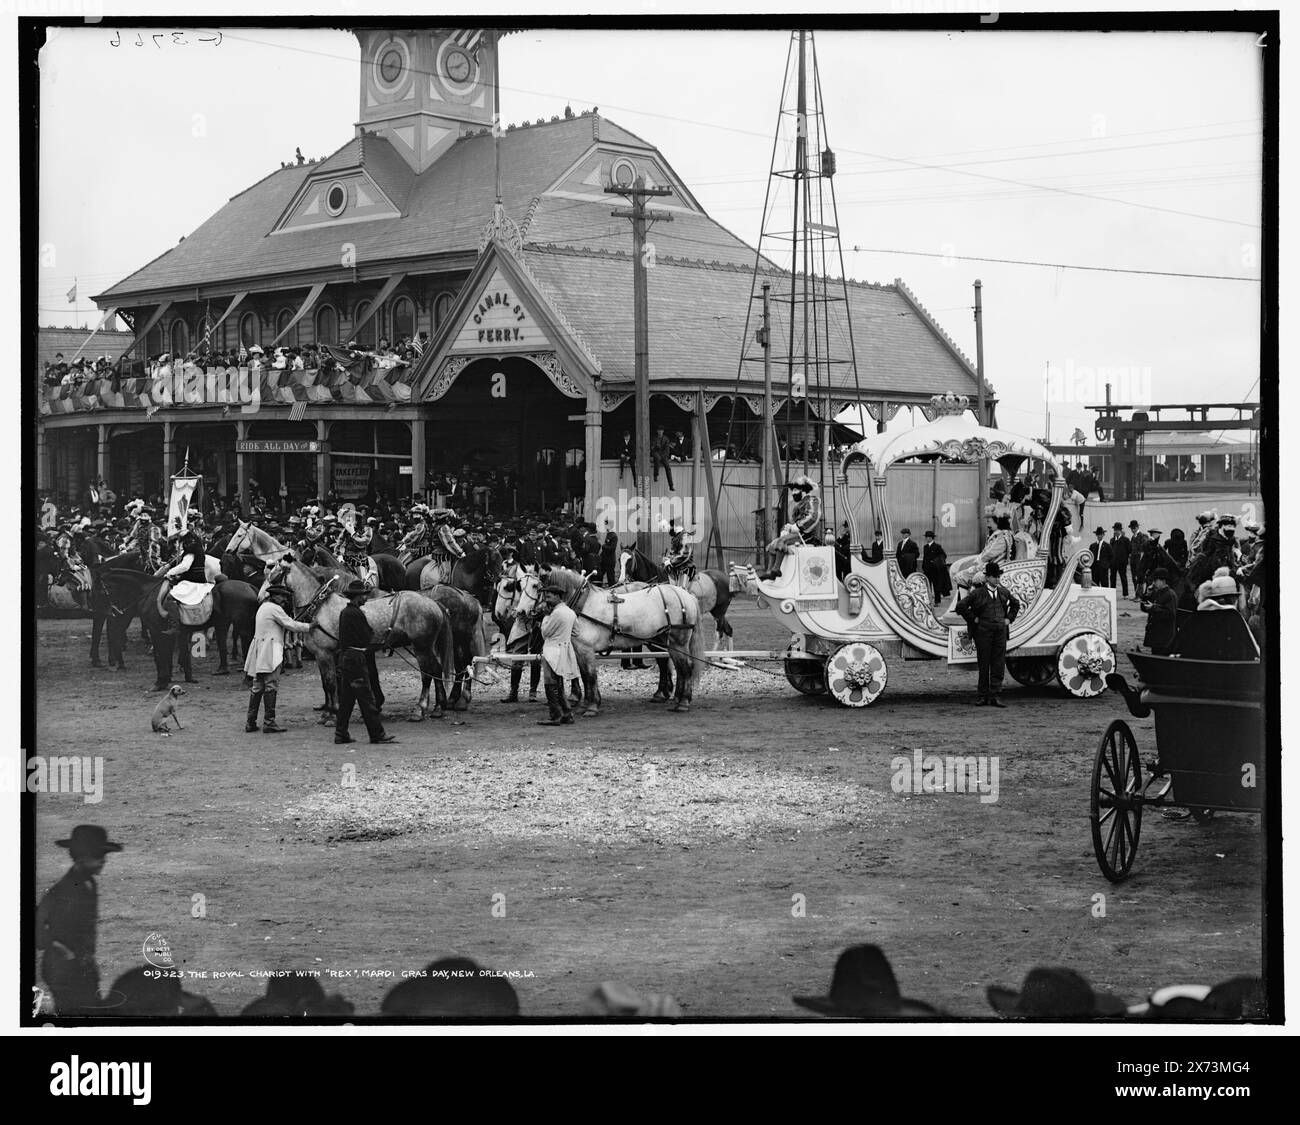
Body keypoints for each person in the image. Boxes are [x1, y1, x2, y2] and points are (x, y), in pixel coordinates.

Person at [36, 825, 124, 1014]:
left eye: (104, 856)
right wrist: (61, 949)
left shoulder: (88, 882)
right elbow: (36, 927)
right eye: (98, 856)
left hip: (81, 968)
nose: (103, 862)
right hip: (65, 972)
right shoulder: (66, 889)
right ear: (82, 857)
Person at [244, 580, 313, 733]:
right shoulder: (275, 609)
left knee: (258, 686)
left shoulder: (264, 607)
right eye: (283, 597)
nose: (285, 600)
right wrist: (310, 627)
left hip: (259, 650)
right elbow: (291, 625)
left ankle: (251, 721)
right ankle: (269, 722)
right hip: (270, 651)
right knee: (270, 685)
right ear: (275, 596)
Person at [334, 579, 397, 745]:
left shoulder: (345, 612)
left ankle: (341, 733)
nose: (365, 598)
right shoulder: (356, 614)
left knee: (347, 700)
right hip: (356, 659)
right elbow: (365, 637)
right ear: (356, 597)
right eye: (363, 595)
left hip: (347, 658)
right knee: (367, 699)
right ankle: (377, 734)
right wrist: (382, 639)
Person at [955, 560, 1021, 707]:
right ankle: (983, 695)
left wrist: (1009, 619)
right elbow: (961, 606)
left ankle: (995, 695)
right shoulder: (978, 593)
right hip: (983, 633)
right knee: (984, 664)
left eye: (998, 576)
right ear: (987, 578)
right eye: (994, 577)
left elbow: (1016, 604)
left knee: (998, 664)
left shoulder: (1004, 592)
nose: (998, 579)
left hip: (999, 632)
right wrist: (974, 619)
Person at [537, 584, 578, 726]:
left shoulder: (555, 613)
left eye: (549, 596)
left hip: (552, 651)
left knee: (550, 682)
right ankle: (567, 713)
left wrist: (545, 618)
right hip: (565, 649)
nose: (547, 600)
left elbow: (545, 633)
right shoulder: (570, 612)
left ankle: (556, 715)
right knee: (558, 683)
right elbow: (576, 632)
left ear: (557, 596)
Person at [1139, 568, 1178, 654]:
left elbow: (1170, 614)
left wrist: (1153, 608)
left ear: (1163, 581)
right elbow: (1144, 607)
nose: (1153, 583)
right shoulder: (1156, 593)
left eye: (1155, 580)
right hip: (1156, 634)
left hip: (1165, 636)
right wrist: (1147, 595)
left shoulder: (1170, 594)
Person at [790, 475, 823, 545]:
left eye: (795, 490)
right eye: (792, 490)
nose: (793, 493)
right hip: (799, 538)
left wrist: (797, 526)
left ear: (803, 490)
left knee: (779, 543)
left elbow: (813, 516)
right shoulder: (799, 505)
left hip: (809, 540)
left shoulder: (812, 500)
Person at [661, 520, 695, 585]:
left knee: (681, 590)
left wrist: (670, 562)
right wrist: (667, 559)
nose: (669, 529)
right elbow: (673, 553)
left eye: (671, 526)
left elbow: (684, 555)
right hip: (676, 568)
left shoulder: (684, 536)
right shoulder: (676, 537)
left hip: (685, 568)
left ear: (675, 526)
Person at [922, 530, 951, 604]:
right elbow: (925, 557)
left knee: (936, 585)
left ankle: (937, 601)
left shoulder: (937, 546)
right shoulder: (925, 547)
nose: (926, 539)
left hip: (935, 570)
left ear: (931, 538)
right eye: (926, 537)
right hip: (927, 569)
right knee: (928, 585)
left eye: (928, 537)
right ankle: (928, 600)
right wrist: (923, 566)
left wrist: (936, 561)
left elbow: (943, 555)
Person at [1108, 523, 1130, 596]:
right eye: (1115, 530)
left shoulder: (1126, 540)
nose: (1115, 531)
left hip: (1122, 563)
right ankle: (1112, 593)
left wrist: (1126, 559)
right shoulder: (1112, 540)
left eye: (1117, 530)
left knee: (1123, 578)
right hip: (1113, 563)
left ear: (1120, 530)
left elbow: (1129, 550)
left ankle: (1125, 594)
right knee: (1112, 579)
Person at [1128, 521, 1149, 598]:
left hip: (1139, 559)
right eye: (1131, 528)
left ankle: (1140, 595)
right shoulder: (1133, 537)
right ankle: (1137, 594)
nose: (1133, 530)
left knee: (1140, 577)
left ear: (1137, 527)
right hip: (1133, 559)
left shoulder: (1143, 536)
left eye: (1134, 528)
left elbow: (1144, 549)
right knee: (1134, 577)